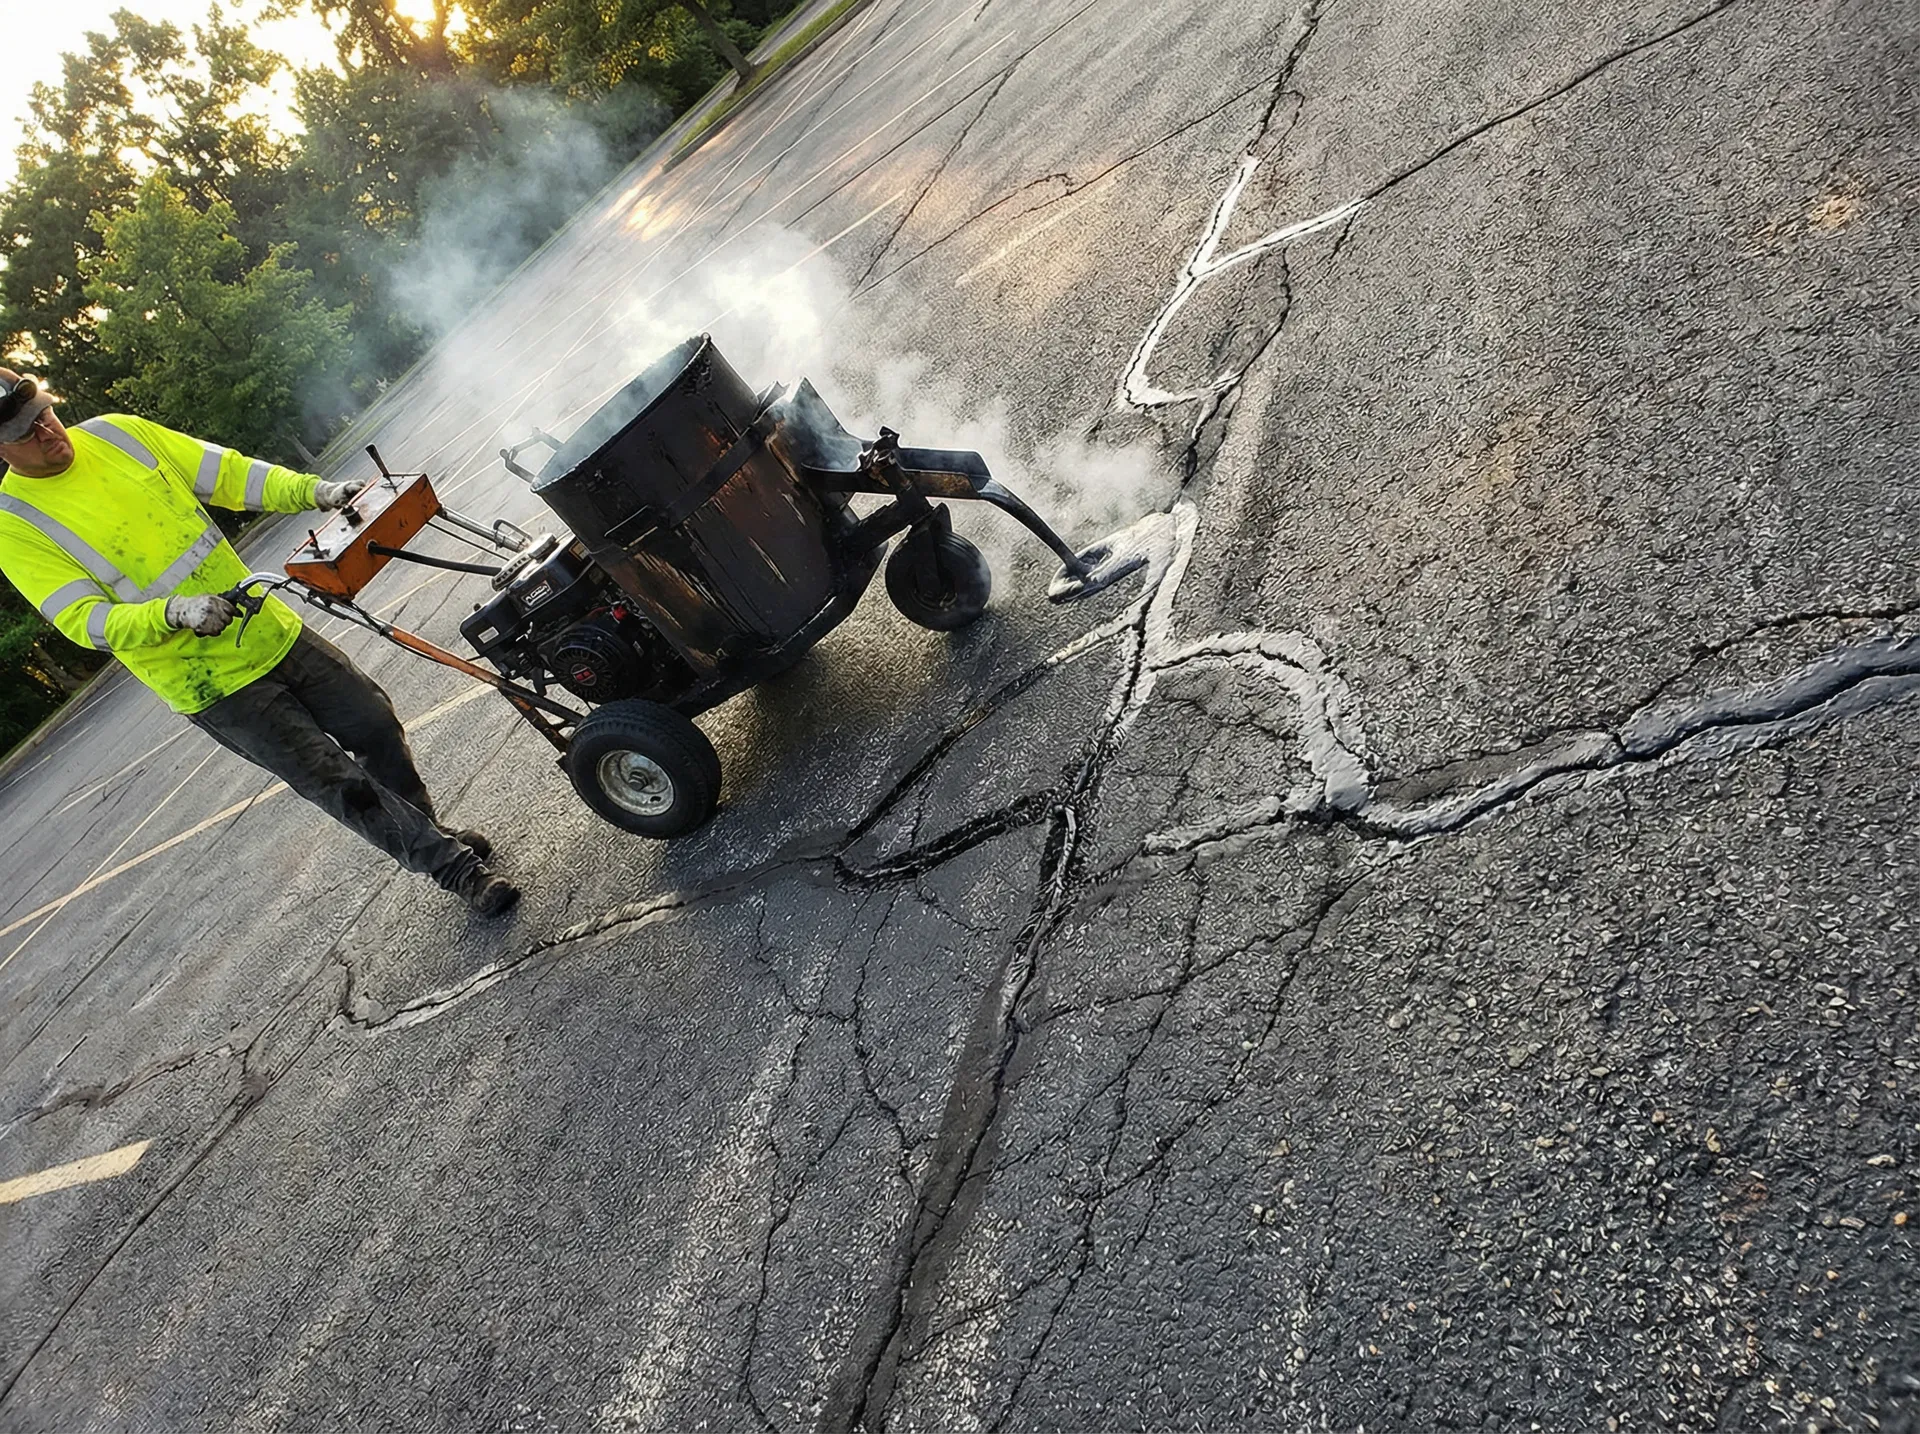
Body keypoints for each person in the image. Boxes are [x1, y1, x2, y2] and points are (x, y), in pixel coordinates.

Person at [0, 370, 520, 916]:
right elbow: (84, 620)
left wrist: (315, 492)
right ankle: (454, 868)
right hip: (210, 684)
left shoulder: (118, 435)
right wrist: (174, 612)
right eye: (25, 431)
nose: (47, 431)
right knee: (340, 782)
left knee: (374, 722)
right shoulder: (16, 524)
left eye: (44, 414)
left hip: (266, 628)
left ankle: (431, 833)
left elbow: (230, 474)